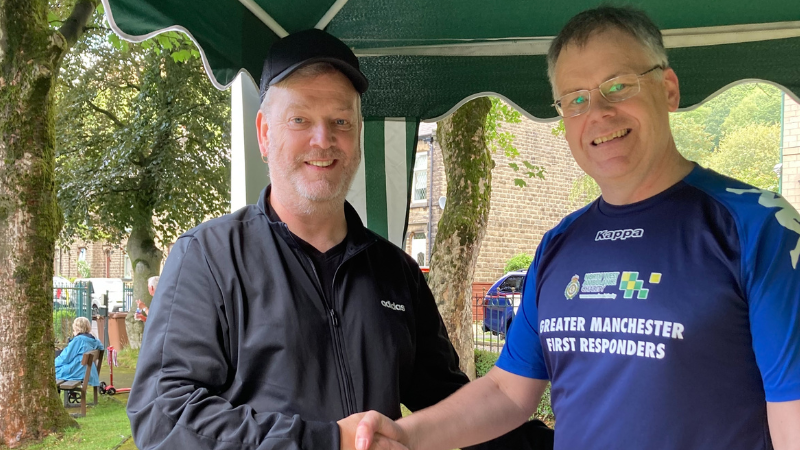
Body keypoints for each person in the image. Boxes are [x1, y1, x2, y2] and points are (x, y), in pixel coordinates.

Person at [354, 6, 800, 450]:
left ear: (668, 89)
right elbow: (508, 393)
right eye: (576, 99)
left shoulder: (761, 227)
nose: (598, 112)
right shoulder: (559, 245)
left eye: (618, 85)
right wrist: (404, 434)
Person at [126, 28, 552, 450]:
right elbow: (163, 416)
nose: (323, 139)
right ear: (264, 133)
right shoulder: (209, 258)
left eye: (341, 121)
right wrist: (328, 442)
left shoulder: (395, 271)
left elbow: (452, 405)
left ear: (358, 135)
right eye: (300, 120)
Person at [55, 317, 105, 386]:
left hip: (78, 371)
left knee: (52, 372)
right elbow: (101, 348)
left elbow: (65, 357)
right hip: (89, 373)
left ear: (77, 329)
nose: (73, 332)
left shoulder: (78, 340)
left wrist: (53, 363)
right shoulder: (95, 341)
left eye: (73, 330)